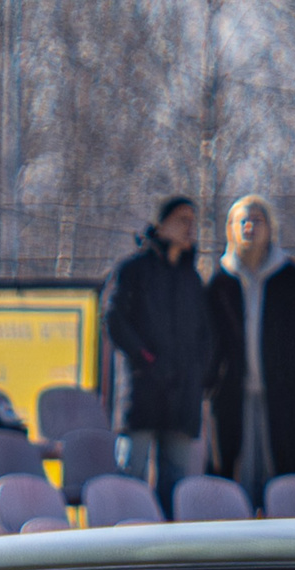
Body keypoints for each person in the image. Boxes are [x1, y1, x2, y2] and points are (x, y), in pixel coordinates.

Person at [207, 195, 295, 506]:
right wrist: (212, 382)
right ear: (231, 228)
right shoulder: (220, 281)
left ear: (270, 228)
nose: (249, 227)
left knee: (289, 470)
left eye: (257, 220)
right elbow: (207, 340)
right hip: (234, 398)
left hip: (283, 397)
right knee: (234, 476)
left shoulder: (290, 277)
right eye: (242, 221)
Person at [102, 195, 213, 515]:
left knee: (176, 485)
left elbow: (205, 334)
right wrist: (145, 359)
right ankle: (127, 540)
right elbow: (114, 319)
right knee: (131, 480)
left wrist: (199, 374)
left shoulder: (192, 279)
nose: (190, 227)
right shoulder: (133, 269)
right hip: (143, 392)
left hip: (182, 398)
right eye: (182, 220)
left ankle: (170, 544)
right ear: (160, 225)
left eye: (193, 221)